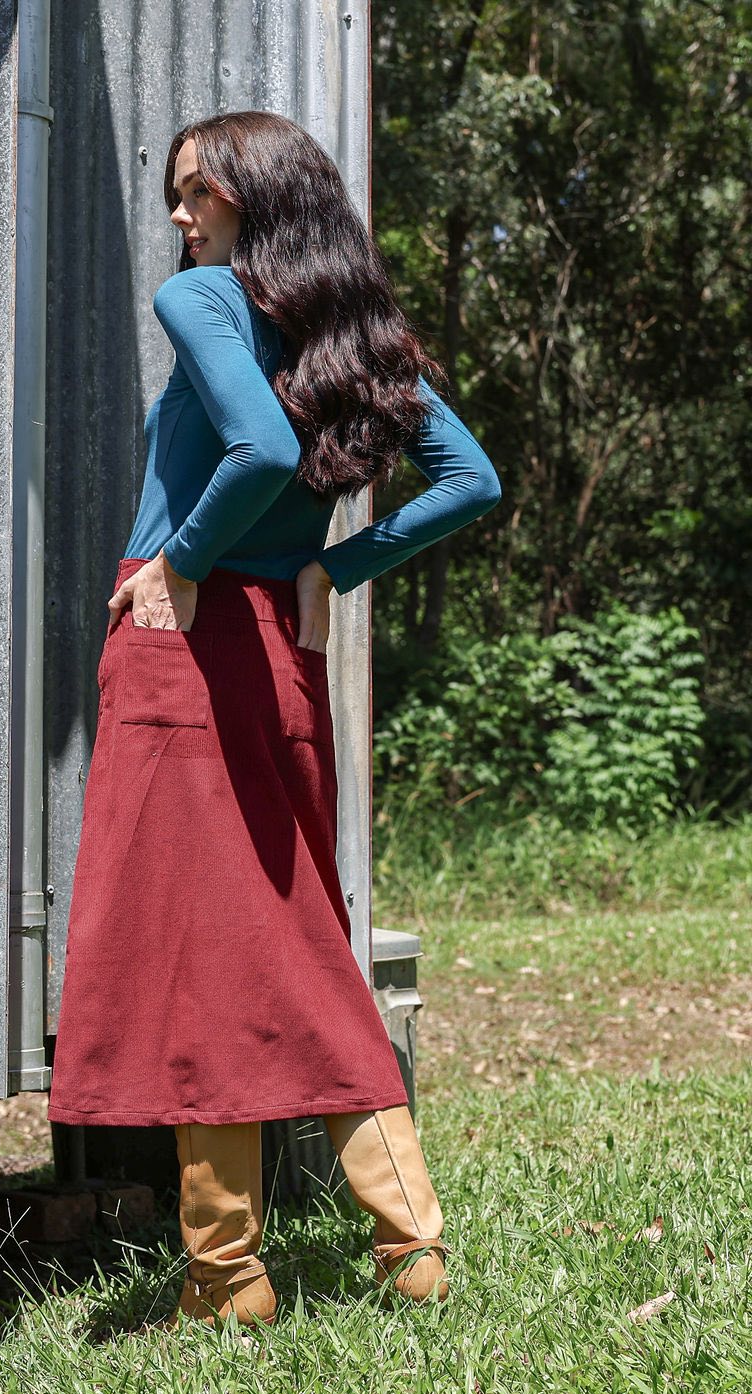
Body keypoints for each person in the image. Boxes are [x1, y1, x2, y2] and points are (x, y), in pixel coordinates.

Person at [47, 110, 501, 1330]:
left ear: (257, 195)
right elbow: (471, 480)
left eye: (198, 193)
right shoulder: (351, 331)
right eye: (176, 199)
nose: (182, 219)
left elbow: (249, 446)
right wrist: (337, 569)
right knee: (294, 936)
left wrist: (181, 563)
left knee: (211, 954)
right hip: (282, 662)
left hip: (184, 651)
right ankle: (405, 1249)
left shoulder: (202, 301)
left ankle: (230, 1279)